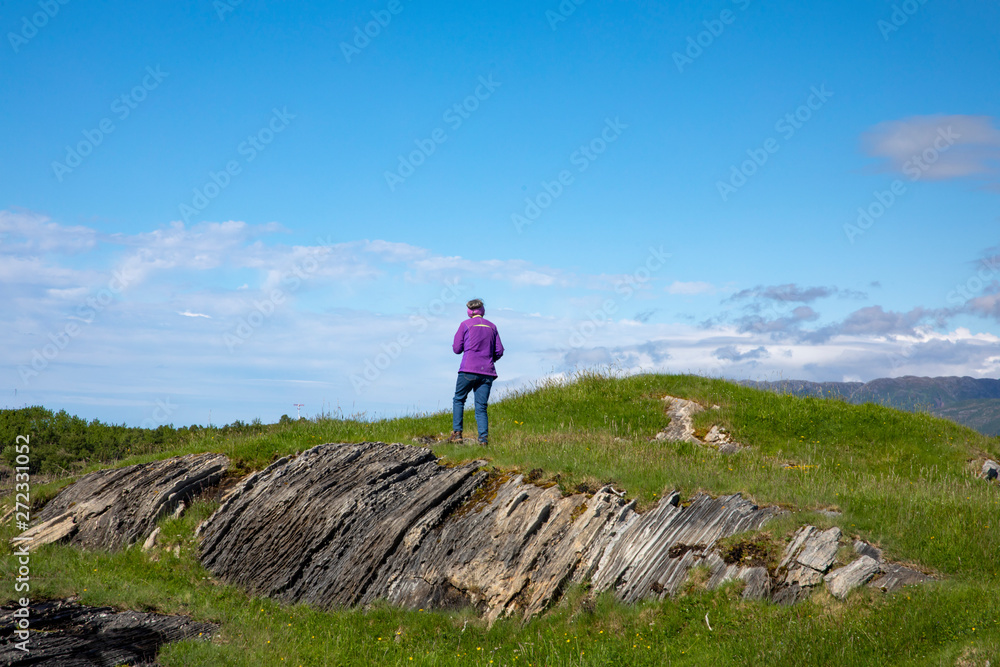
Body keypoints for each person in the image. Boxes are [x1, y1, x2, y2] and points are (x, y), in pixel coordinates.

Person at [450, 298, 504, 445]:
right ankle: (483, 439)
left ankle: (457, 434)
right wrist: (488, 358)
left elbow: (456, 349)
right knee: (481, 407)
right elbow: (499, 351)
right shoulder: (492, 327)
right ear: (483, 310)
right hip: (487, 372)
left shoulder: (465, 325)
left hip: (467, 369)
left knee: (459, 399)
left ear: (469, 311)